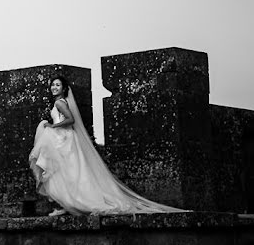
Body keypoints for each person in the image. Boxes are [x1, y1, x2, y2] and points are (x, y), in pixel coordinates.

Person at [28, 76, 183, 216]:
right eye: (52, 85)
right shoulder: (62, 102)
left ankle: (74, 203)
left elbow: (70, 120)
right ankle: (68, 205)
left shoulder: (59, 103)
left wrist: (53, 127)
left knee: (67, 172)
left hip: (63, 138)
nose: (54, 87)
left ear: (63, 88)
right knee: (69, 173)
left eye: (57, 85)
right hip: (64, 139)